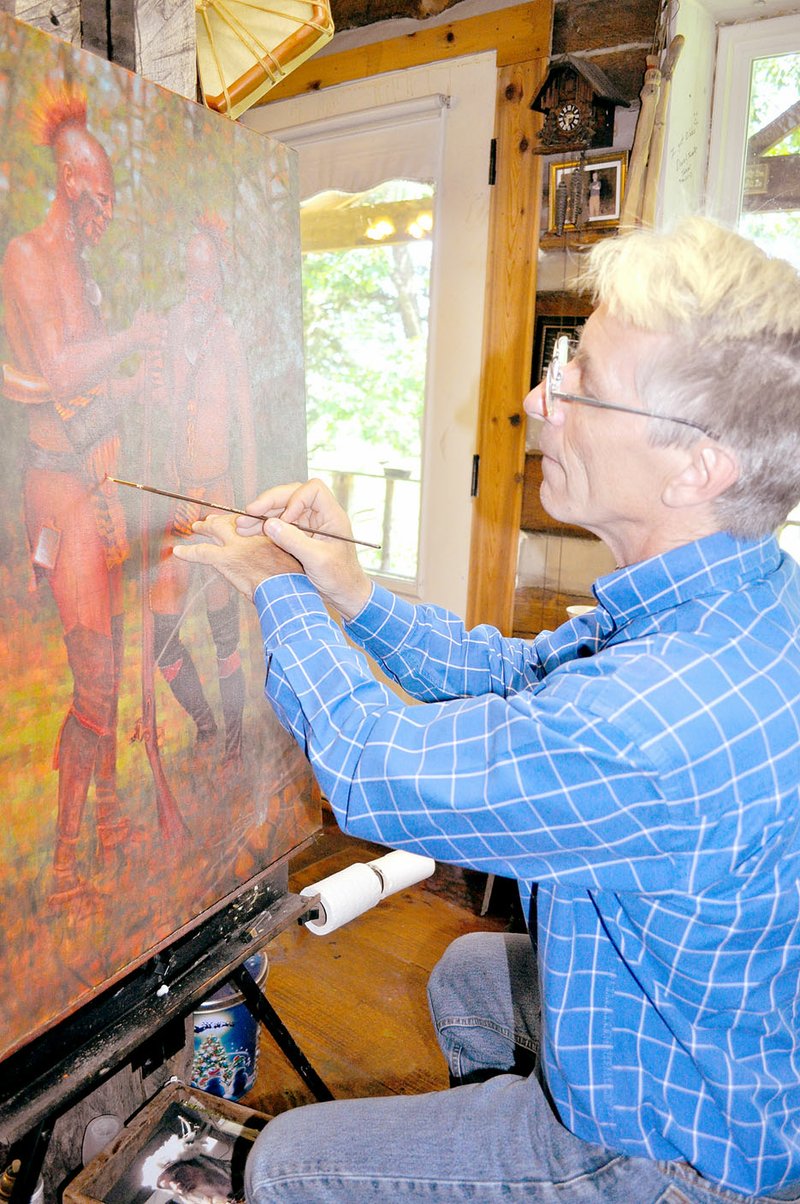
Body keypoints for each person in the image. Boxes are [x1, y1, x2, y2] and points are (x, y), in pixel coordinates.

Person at [173, 217, 800, 1202]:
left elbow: (373, 767)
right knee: (472, 975)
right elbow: (515, 677)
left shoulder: (658, 717)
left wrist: (274, 591)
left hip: (675, 1157)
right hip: (736, 1061)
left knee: (291, 1167)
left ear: (696, 465)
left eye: (579, 381)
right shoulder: (735, 603)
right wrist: (347, 588)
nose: (535, 399)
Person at [1, 81, 159, 907]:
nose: (103, 215)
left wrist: (134, 378)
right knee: (93, 676)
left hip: (97, 481)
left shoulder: (86, 274)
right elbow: (60, 371)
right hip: (58, 490)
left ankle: (108, 823)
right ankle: (65, 867)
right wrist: (130, 343)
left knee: (114, 661)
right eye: (97, 199)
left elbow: (94, 384)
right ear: (71, 185)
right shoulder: (28, 257)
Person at [149, 213, 256, 769]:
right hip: (176, 501)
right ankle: (207, 725)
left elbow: (246, 426)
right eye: (191, 275)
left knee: (223, 633)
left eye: (207, 274)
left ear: (220, 276)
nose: (200, 286)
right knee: (162, 638)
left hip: (217, 500)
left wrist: (247, 512)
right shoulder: (171, 329)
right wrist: (172, 490)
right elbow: (164, 423)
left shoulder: (230, 339)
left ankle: (235, 739)